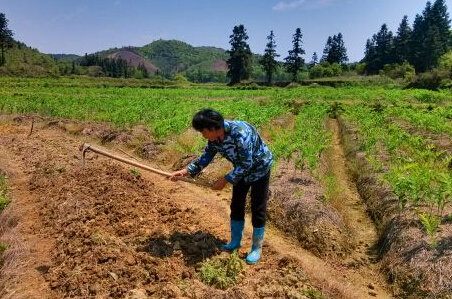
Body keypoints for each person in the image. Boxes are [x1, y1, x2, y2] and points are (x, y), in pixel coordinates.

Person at [170, 108, 273, 264]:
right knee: (236, 205)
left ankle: (256, 248)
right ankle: (235, 242)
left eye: (203, 131)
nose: (202, 135)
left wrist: (224, 180)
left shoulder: (240, 134)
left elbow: (247, 163)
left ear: (213, 128)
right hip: (240, 170)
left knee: (257, 208)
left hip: (260, 168)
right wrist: (185, 171)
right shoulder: (215, 139)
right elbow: (204, 159)